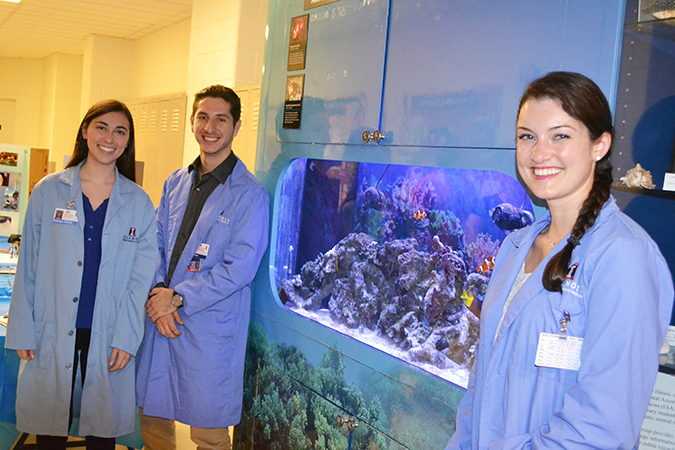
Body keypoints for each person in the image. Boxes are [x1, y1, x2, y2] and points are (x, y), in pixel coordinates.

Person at [447, 72, 674, 450]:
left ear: (600, 144)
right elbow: (479, 389)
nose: (539, 154)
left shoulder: (623, 257)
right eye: (527, 136)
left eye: (561, 135)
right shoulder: (515, 247)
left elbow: (599, 428)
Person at [4, 100, 159, 449]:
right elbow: (28, 264)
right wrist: (23, 330)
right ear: (85, 131)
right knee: (49, 427)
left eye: (120, 131)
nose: (109, 138)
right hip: (53, 323)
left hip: (107, 328)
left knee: (102, 432)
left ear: (128, 141)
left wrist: (126, 337)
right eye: (101, 127)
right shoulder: (49, 190)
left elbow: (140, 281)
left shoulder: (138, 201)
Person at [136, 85, 270, 450]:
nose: (210, 127)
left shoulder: (249, 194)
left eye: (221, 119)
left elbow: (239, 269)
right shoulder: (175, 183)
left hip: (208, 326)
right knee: (154, 423)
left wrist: (176, 299)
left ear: (237, 126)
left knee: (209, 435)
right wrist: (159, 294)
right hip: (162, 314)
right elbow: (154, 245)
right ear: (193, 122)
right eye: (203, 117)